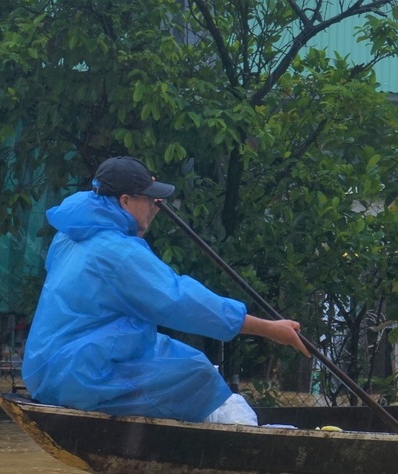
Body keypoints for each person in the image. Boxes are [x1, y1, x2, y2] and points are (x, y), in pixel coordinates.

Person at [22, 156, 310, 424]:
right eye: (148, 199)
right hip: (82, 375)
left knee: (178, 353)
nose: (154, 205)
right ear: (124, 200)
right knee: (197, 375)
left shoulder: (71, 235)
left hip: (49, 367)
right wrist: (270, 329)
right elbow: (180, 300)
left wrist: (142, 216)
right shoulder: (118, 253)